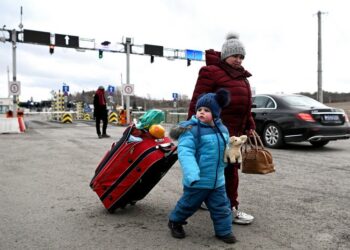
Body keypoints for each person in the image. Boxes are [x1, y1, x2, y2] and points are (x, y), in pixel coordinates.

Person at [187, 32, 256, 225]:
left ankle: (208, 200)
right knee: (224, 171)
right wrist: (192, 127)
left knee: (224, 169)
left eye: (241, 56)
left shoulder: (243, 77)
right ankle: (229, 209)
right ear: (225, 55)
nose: (239, 59)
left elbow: (245, 106)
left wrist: (250, 125)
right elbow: (197, 102)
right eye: (235, 55)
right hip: (214, 132)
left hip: (234, 134)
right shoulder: (211, 72)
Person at [168, 89, 236, 244]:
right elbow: (185, 153)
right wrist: (192, 174)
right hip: (197, 179)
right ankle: (175, 221)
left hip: (217, 180)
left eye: (206, 110)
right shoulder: (191, 130)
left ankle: (224, 231)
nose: (201, 113)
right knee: (188, 205)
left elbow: (224, 150)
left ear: (216, 113)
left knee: (222, 207)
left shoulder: (223, 129)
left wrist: (230, 157)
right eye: (199, 110)